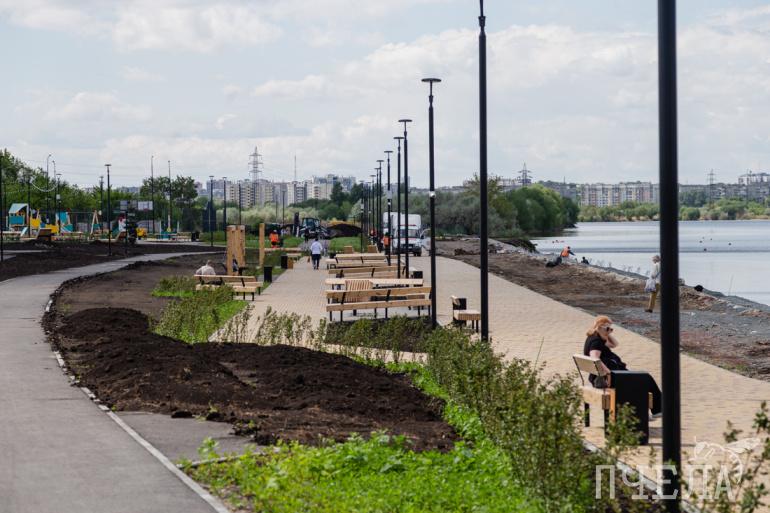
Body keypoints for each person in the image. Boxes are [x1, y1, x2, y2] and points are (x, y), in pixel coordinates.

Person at [583, 316, 662, 418]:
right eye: (607, 328)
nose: (609, 331)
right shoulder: (596, 342)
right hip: (611, 377)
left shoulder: (596, 338)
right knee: (645, 379)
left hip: (612, 375)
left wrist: (607, 333)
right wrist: (608, 373)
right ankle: (651, 411)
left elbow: (614, 344)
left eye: (611, 329)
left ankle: (648, 412)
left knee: (643, 379)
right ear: (599, 327)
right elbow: (594, 358)